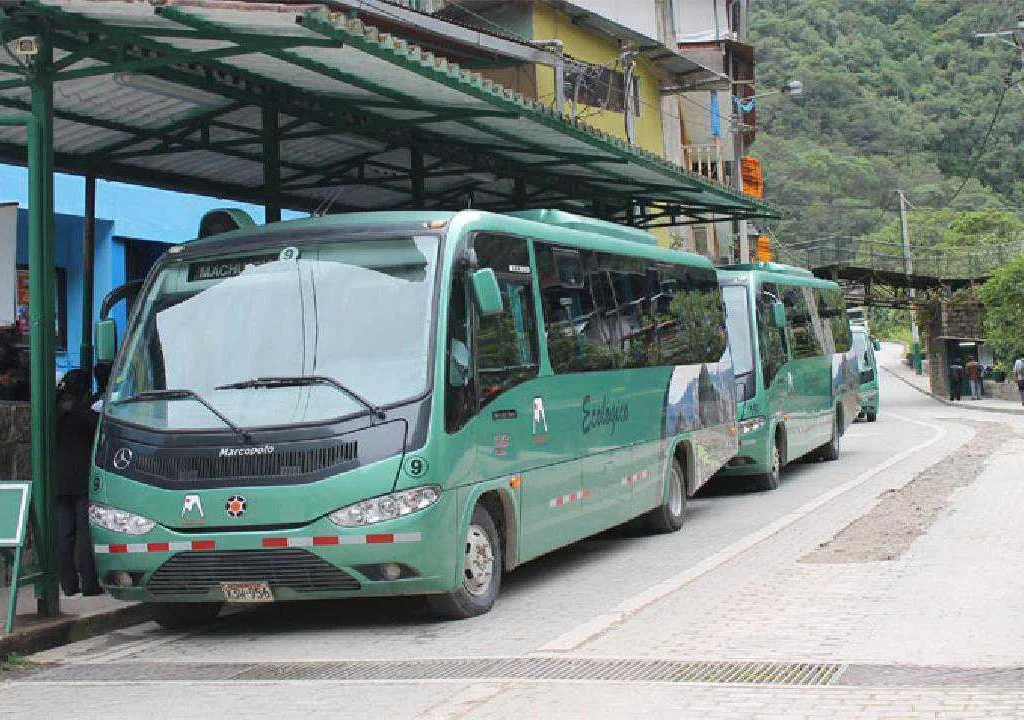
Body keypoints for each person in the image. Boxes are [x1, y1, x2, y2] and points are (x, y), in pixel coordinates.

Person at [56, 369, 101, 596]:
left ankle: (68, 584)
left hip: (60, 483)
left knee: (64, 534)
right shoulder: (86, 417)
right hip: (82, 482)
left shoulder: (54, 414)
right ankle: (90, 583)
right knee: (85, 534)